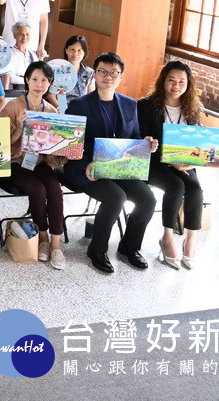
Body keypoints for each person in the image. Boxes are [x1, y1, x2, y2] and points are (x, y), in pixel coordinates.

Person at [64, 52, 158, 274]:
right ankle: (97, 250)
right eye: (103, 72)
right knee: (116, 197)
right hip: (85, 167)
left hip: (117, 167)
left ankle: (129, 247)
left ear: (121, 77)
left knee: (148, 198)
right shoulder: (79, 104)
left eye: (114, 73)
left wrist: (144, 144)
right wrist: (86, 163)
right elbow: (69, 143)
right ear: (94, 74)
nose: (108, 77)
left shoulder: (129, 104)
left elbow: (133, 136)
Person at [140, 61, 211, 270]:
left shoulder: (192, 109)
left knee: (196, 190)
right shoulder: (146, 106)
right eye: (172, 80)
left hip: (185, 163)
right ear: (163, 81)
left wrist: (193, 159)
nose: (176, 85)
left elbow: (200, 142)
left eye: (182, 81)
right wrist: (170, 160)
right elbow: (142, 141)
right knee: (176, 187)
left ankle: (190, 240)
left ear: (188, 84)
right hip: (155, 163)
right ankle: (167, 237)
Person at [0, 61, 66, 270]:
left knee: (55, 190)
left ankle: (56, 245)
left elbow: (55, 148)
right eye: (34, 79)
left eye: (44, 80)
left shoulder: (52, 110)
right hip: (14, 162)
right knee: (38, 189)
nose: (39, 84)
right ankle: (42, 237)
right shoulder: (13, 106)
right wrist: (19, 128)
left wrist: (64, 140)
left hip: (39, 162)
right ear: (27, 80)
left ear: (50, 84)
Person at [61, 35, 95, 106]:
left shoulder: (90, 73)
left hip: (82, 110)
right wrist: (62, 109)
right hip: (62, 109)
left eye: (79, 50)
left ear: (84, 53)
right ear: (66, 50)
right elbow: (51, 96)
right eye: (72, 49)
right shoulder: (58, 70)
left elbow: (91, 97)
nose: (75, 53)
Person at [4, 21, 37, 95]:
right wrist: (31, 80)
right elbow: (10, 77)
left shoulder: (33, 55)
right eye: (21, 34)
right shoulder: (9, 54)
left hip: (31, 91)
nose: (24, 37)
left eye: (27, 34)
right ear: (14, 35)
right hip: (15, 90)